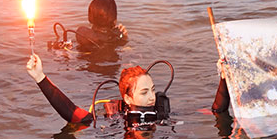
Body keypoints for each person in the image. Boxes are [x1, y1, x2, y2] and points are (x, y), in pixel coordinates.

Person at [26, 53, 169, 128]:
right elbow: (72, 113)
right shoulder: (116, 117)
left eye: (152, 90)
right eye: (144, 92)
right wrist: (40, 77)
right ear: (127, 98)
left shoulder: (163, 112)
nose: (152, 97)